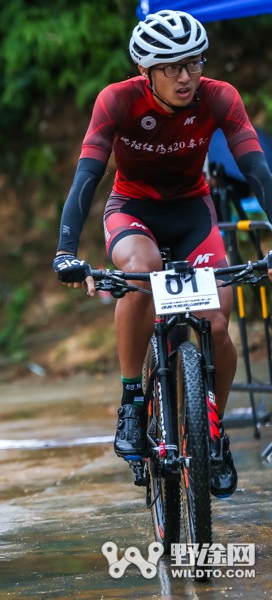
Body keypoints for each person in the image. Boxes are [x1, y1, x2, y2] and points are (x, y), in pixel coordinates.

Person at [52, 10, 272, 499]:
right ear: (145, 70)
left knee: (216, 322)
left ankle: (212, 432)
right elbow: (87, 177)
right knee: (139, 273)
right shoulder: (117, 100)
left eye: (192, 63)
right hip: (133, 209)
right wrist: (66, 251)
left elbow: (256, 169)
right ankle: (132, 401)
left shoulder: (219, 96)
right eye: (170, 67)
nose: (185, 76)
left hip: (193, 214)